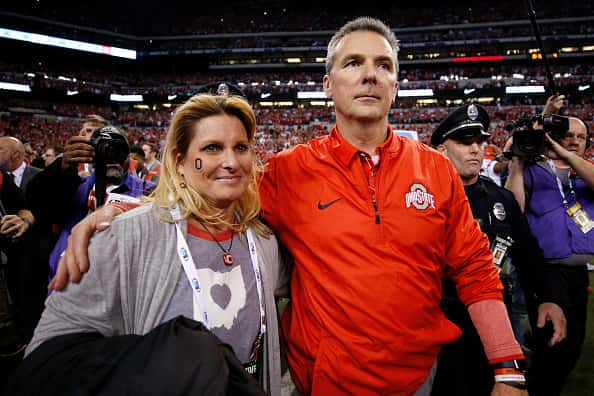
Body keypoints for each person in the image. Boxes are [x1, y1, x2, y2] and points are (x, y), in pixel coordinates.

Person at [54, 17, 527, 395]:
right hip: (320, 379)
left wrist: (506, 367)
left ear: (396, 82)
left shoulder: (436, 170)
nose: (369, 74)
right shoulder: (289, 170)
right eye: (353, 63)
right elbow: (209, 196)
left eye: (383, 64)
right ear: (328, 84)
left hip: (418, 376)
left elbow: (474, 268)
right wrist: (120, 213)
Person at [8, 94, 289, 396]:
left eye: (241, 147)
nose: (231, 162)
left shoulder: (264, 240)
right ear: (180, 162)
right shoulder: (122, 237)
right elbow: (45, 358)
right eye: (212, 148)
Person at [430, 104, 566, 396]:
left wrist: (549, 298)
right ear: (441, 150)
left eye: (479, 141)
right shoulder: (422, 200)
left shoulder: (501, 200)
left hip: (491, 323)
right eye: (464, 142)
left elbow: (529, 256)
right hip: (436, 324)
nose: (476, 149)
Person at [505, 97, 594, 396]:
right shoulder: (533, 168)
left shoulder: (585, 172)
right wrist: (518, 162)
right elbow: (513, 209)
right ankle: (538, 388)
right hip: (545, 269)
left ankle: (536, 367)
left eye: (581, 137)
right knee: (559, 342)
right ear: (554, 136)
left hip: (578, 269)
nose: (574, 141)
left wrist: (567, 158)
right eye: (569, 135)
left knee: (575, 342)